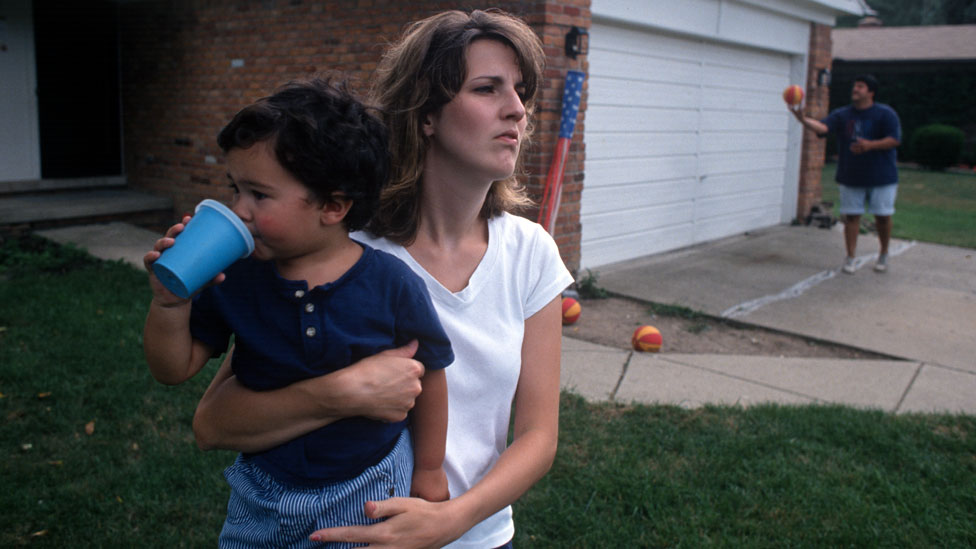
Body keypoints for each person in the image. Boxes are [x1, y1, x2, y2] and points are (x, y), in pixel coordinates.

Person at [192, 9, 574, 548]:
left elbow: (538, 437)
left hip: (481, 537)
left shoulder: (531, 253)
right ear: (426, 115)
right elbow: (213, 423)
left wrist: (450, 520)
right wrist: (340, 393)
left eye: (520, 92)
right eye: (487, 88)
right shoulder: (345, 252)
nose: (516, 109)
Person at [142, 78, 455, 546]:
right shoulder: (235, 276)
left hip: (367, 489)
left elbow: (430, 373)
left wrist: (429, 469)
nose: (239, 209)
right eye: (235, 189)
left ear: (333, 206)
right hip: (262, 491)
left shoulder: (391, 284)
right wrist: (171, 301)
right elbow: (173, 368)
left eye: (258, 194)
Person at [791, 74, 902, 274]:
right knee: (851, 217)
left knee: (883, 217)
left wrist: (870, 145)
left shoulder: (886, 114)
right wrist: (802, 119)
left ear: (871, 92)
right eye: (855, 86)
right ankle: (850, 257)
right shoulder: (842, 114)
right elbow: (823, 127)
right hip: (851, 175)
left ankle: (884, 253)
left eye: (860, 86)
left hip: (882, 177)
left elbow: (894, 139)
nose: (855, 89)